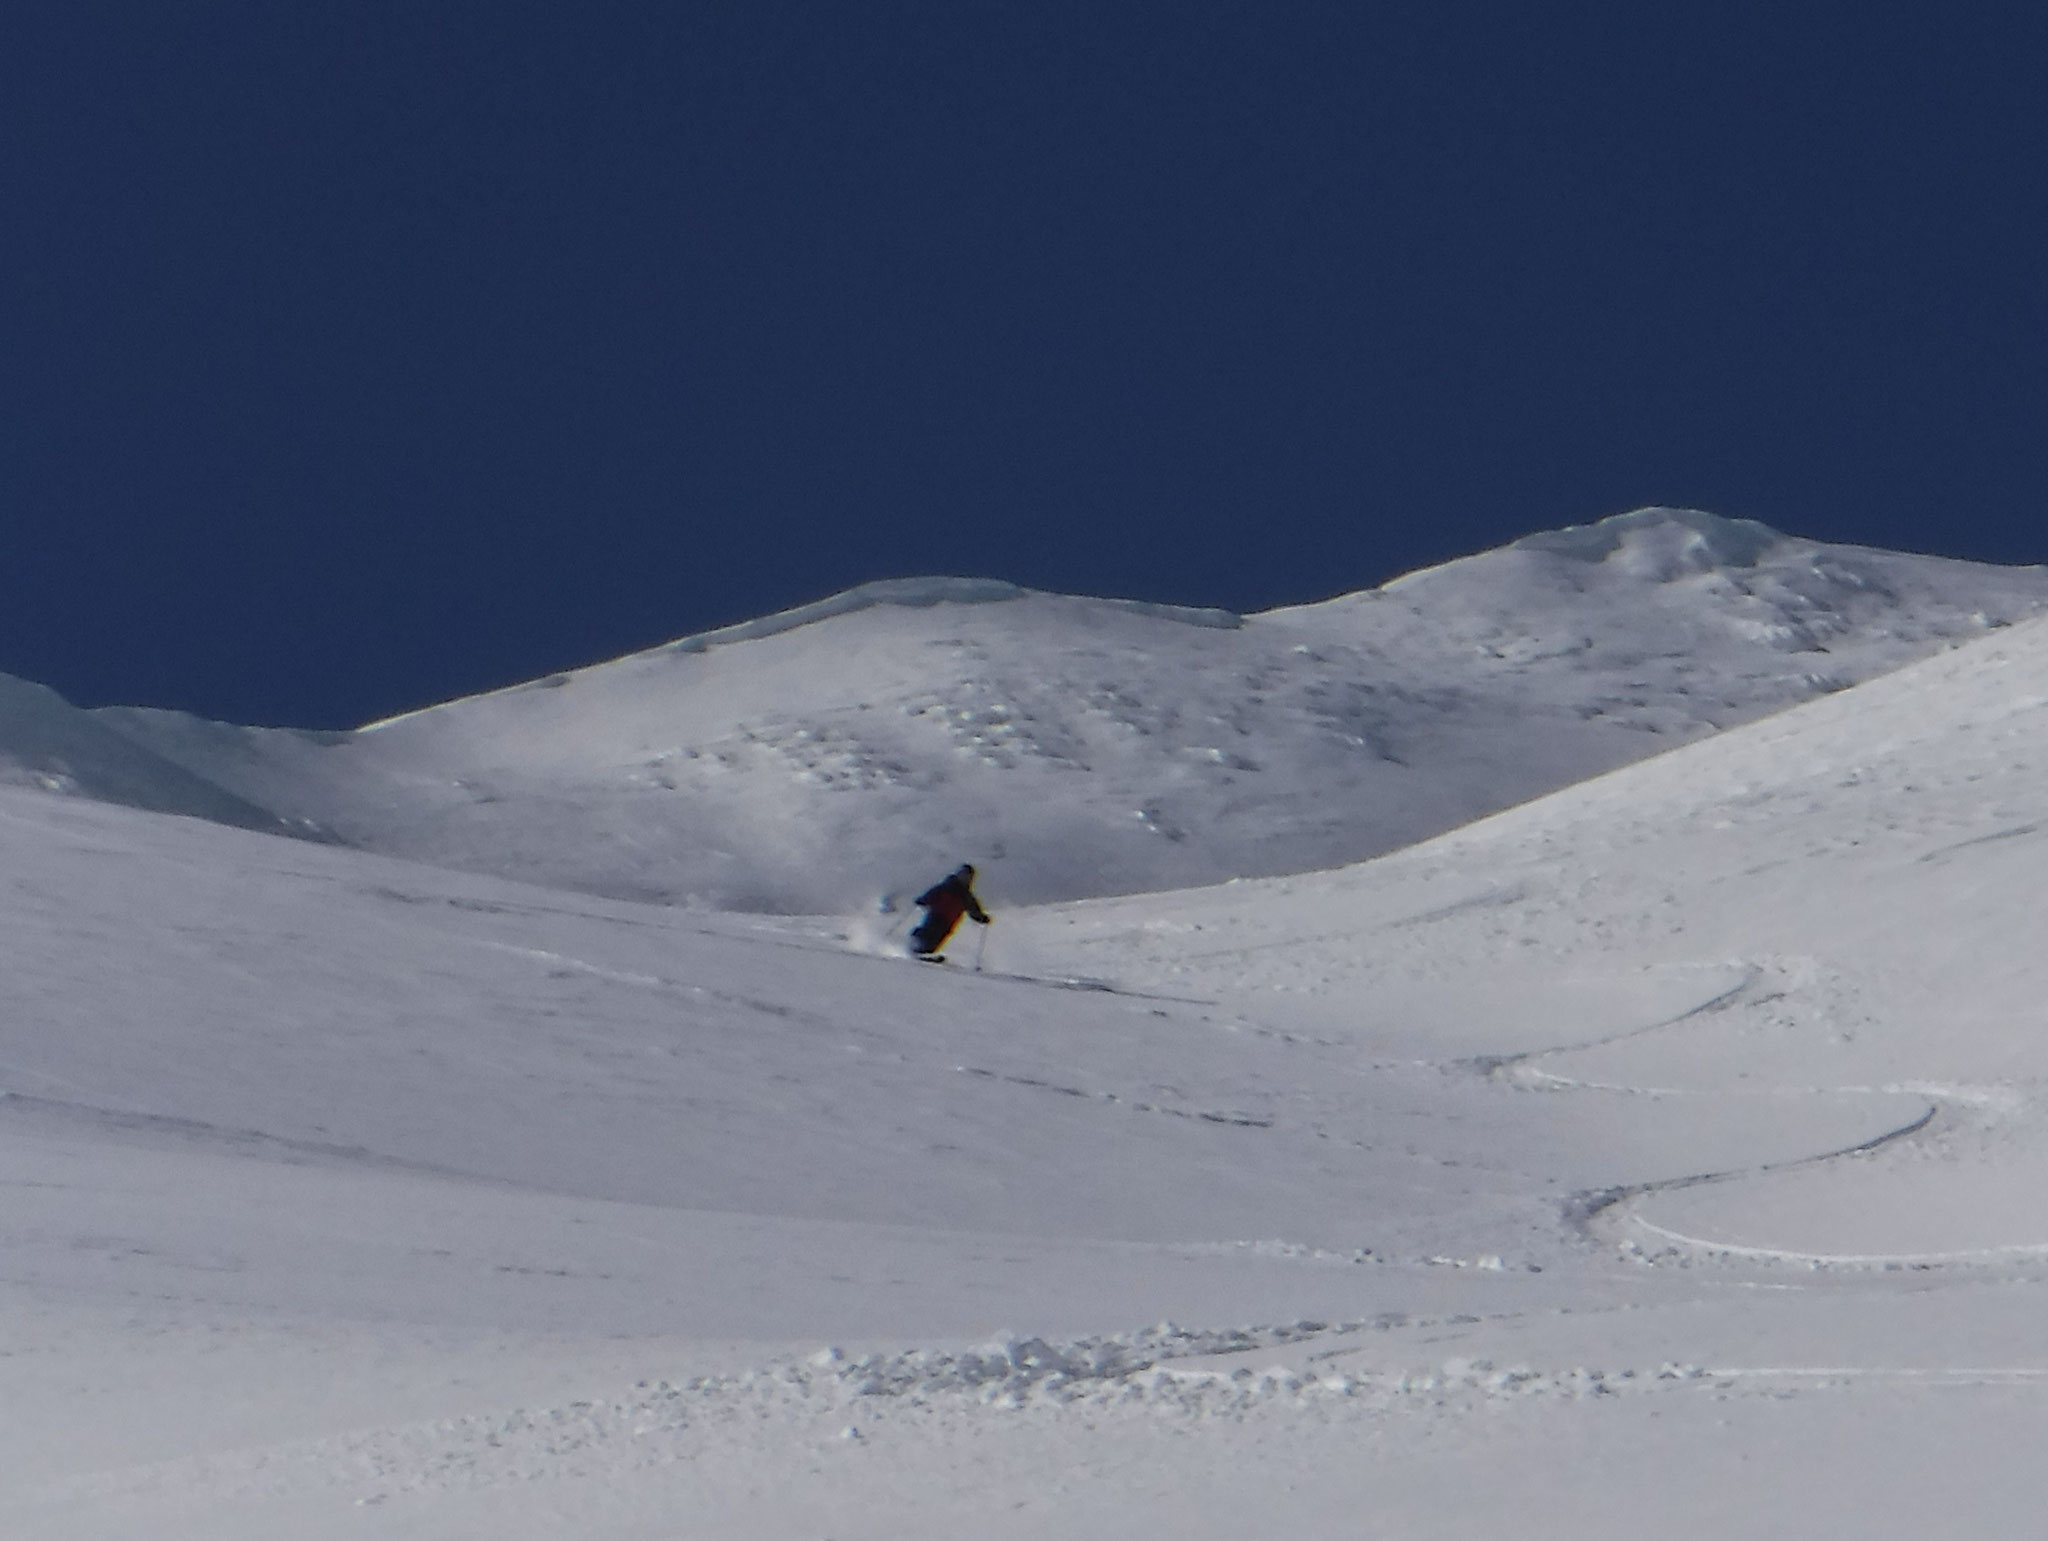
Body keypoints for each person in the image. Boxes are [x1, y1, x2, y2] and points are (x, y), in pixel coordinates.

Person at [909, 863, 990, 958]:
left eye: (968, 877)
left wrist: (981, 918)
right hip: (936, 914)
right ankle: (916, 946)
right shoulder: (947, 886)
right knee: (929, 931)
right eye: (963, 875)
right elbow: (933, 894)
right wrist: (923, 900)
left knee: (938, 938)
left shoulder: (966, 896)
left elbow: (973, 909)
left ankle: (925, 952)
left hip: (948, 921)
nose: (965, 878)